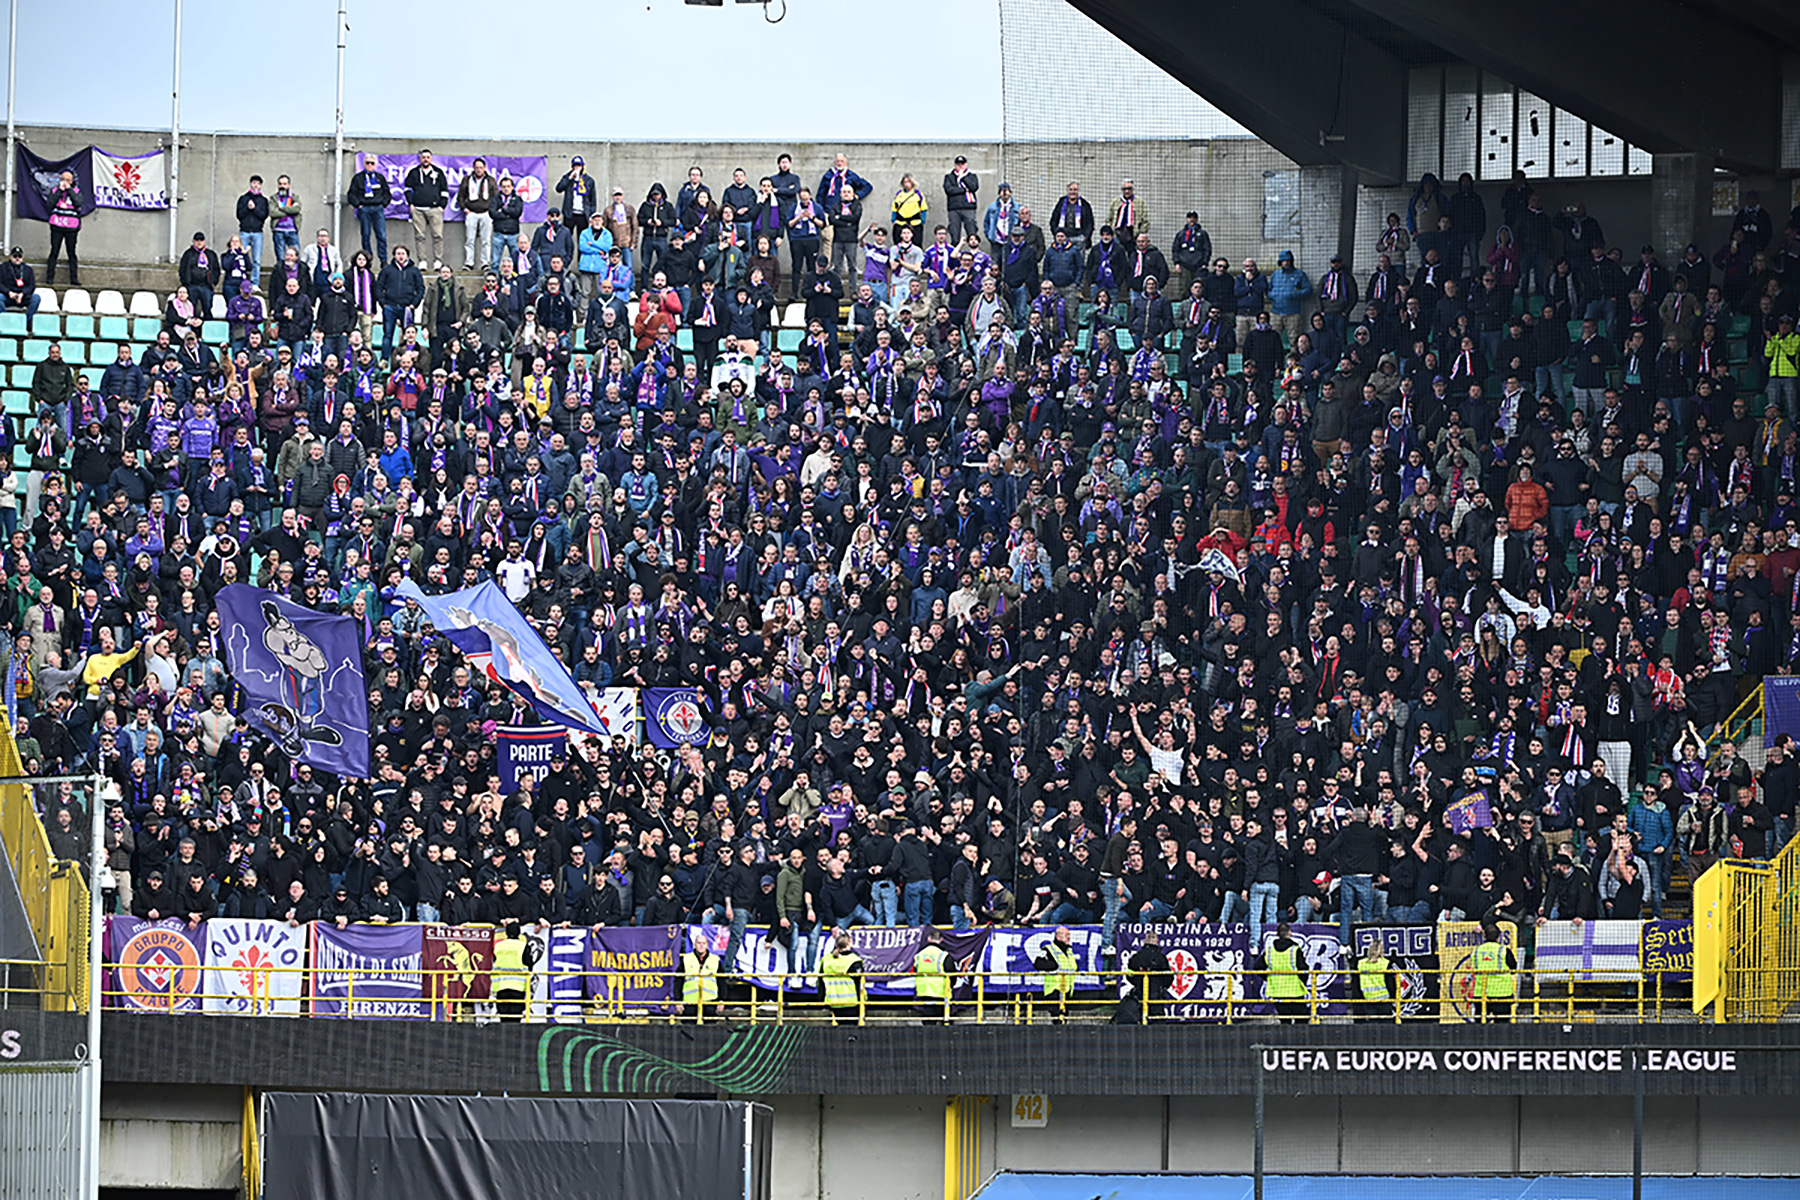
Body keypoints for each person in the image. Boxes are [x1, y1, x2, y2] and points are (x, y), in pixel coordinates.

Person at [1258, 922, 1308, 1023]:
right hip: (1295, 992)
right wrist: (1303, 982)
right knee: (1302, 1020)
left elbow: (1258, 967)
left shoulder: (1269, 951)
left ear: (1277, 935)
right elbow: (1303, 969)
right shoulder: (1295, 950)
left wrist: (1269, 978)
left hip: (1277, 992)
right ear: (1290, 934)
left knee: (1285, 1021)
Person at [1121, 924, 1171, 1023]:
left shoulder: (1135, 957)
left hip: (1139, 993)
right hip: (1156, 995)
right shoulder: (1161, 958)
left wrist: (1138, 983)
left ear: (1144, 941)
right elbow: (1169, 977)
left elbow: (1129, 975)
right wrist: (1161, 986)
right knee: (1158, 1022)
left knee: (1139, 1019)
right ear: (1157, 942)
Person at [346, 154, 392, 260]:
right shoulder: (358, 178)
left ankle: (383, 259)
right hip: (364, 209)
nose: (370, 165)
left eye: (372, 163)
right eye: (367, 163)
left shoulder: (379, 178)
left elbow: (387, 193)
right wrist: (358, 205)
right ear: (363, 164)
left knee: (381, 235)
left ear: (375, 164)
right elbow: (352, 194)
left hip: (378, 208)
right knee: (365, 234)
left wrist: (383, 204)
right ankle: (368, 258)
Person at [1471, 922, 1517, 1022]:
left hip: (1481, 993)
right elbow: (1514, 968)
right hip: (1502, 994)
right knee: (1502, 1024)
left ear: (1484, 935)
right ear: (1499, 936)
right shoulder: (1504, 950)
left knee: (1480, 1023)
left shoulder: (1477, 951)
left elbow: (1474, 967)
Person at [1032, 924, 1078, 1024]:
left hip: (1067, 989)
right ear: (1058, 937)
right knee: (1057, 1016)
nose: (1069, 938)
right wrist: (1053, 966)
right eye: (1066, 935)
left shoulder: (1069, 951)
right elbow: (1038, 964)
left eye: (1069, 935)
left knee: (1064, 1016)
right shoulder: (1048, 949)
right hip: (1054, 989)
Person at [44, 169, 83, 285]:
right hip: (57, 226)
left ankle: (74, 278)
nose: (64, 182)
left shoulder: (76, 191)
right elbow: (50, 204)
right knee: (54, 251)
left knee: (71, 252)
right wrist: (59, 192)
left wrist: (69, 190)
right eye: (63, 179)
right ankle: (50, 278)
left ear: (71, 182)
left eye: (67, 180)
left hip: (71, 227)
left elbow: (78, 203)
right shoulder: (55, 190)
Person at [491, 926, 534, 1022]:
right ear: (519, 933)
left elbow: (493, 962)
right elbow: (529, 965)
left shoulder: (498, 946)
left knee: (503, 1017)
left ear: (506, 933)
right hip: (518, 987)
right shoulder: (523, 946)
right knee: (515, 1018)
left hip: (501, 986)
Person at [819, 930, 863, 1024]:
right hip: (851, 1002)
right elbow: (859, 983)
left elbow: (820, 981)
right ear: (850, 943)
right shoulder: (854, 960)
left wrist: (821, 1001)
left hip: (832, 1001)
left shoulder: (826, 959)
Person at [913, 926, 950, 1024]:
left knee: (928, 1014)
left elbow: (915, 969)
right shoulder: (943, 955)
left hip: (923, 989)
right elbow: (951, 972)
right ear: (941, 940)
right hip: (940, 990)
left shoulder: (919, 955)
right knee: (940, 1015)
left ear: (929, 939)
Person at [680, 933, 720, 1023]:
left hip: (710, 1001)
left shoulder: (715, 960)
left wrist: (722, 1000)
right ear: (695, 944)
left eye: (703, 943)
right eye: (699, 943)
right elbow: (678, 981)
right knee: (688, 1028)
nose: (701, 946)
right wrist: (678, 1001)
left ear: (707, 945)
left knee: (710, 1031)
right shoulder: (686, 959)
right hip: (690, 1001)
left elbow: (721, 981)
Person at [235, 174, 270, 273]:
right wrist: (247, 208)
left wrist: (254, 208)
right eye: (254, 183)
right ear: (250, 184)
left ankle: (255, 282)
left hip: (257, 232)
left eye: (258, 184)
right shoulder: (243, 198)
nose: (256, 185)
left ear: (261, 186)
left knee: (256, 260)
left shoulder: (263, 200)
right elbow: (239, 215)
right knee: (241, 257)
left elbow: (264, 215)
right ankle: (242, 280)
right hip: (244, 231)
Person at [1356, 940, 1396, 1020]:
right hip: (1383, 998)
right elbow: (1391, 982)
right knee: (1386, 1025)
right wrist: (1393, 996)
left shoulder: (1361, 964)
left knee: (1372, 1025)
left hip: (1368, 998)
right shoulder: (1385, 963)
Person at [0, 245, 39, 317]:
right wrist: (9, 292)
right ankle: (4, 321)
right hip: (7, 296)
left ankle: (26, 322)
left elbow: (31, 286)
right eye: (15, 256)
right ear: (10, 257)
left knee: (36, 298)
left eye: (19, 256)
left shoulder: (28, 269)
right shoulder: (2, 267)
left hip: (23, 297)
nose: (17, 258)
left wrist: (22, 294)